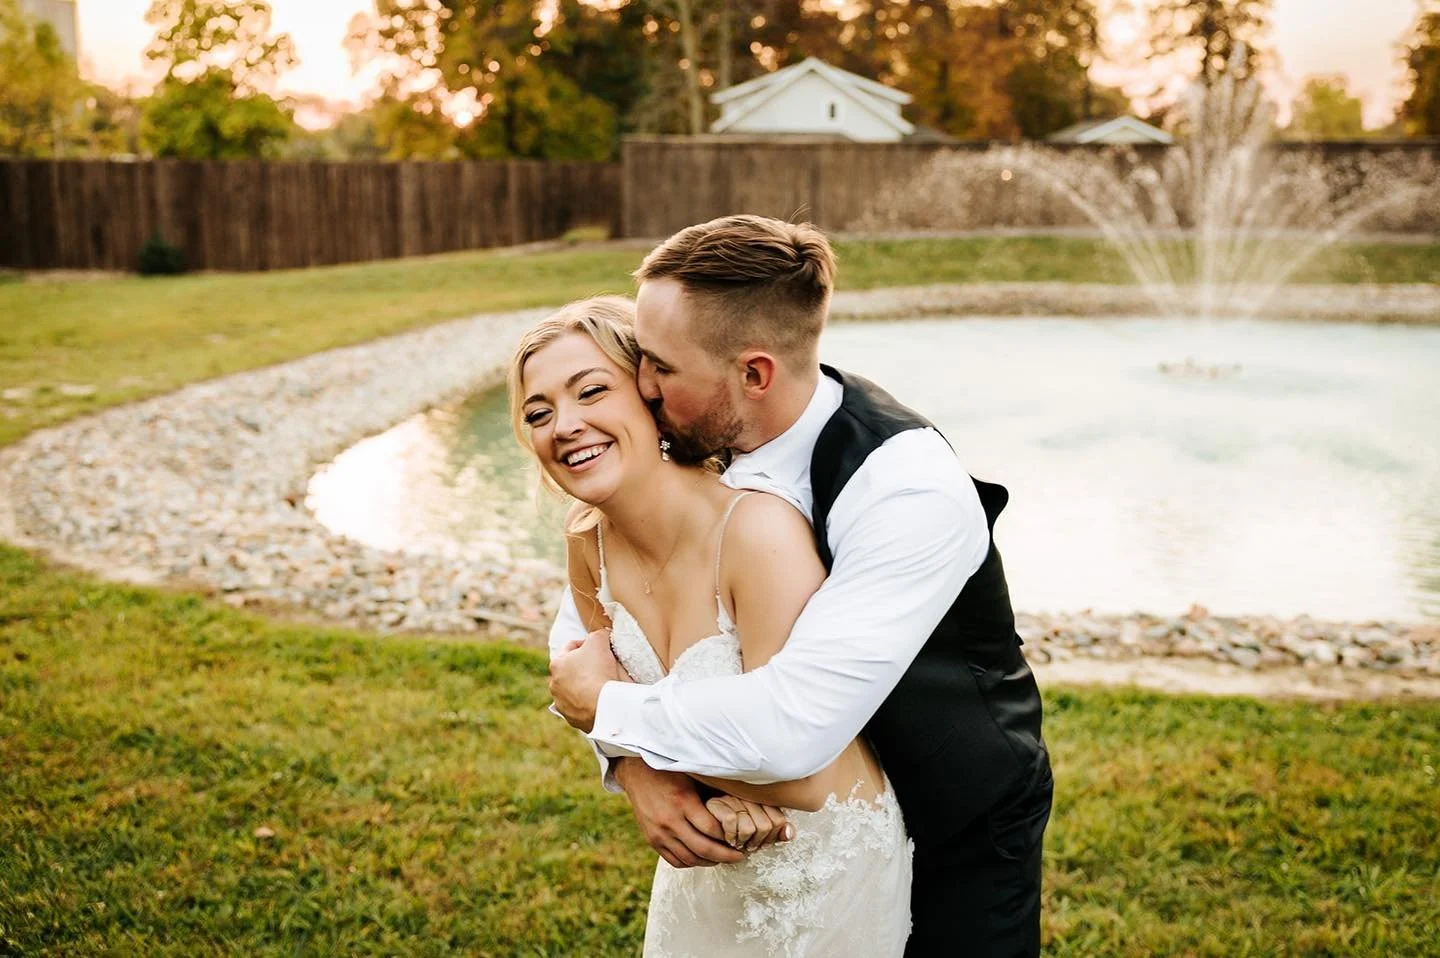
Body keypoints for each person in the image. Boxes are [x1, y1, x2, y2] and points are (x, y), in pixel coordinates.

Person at [549, 215, 1054, 957]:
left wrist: (608, 712)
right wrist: (634, 766)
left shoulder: (906, 491)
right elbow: (589, 624)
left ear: (754, 374)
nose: (641, 390)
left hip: (955, 810)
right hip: (775, 824)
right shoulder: (700, 442)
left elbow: (792, 728)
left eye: (658, 367)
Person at [510, 295, 913, 956]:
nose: (566, 425)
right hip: (705, 862)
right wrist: (661, 782)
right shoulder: (588, 541)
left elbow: (805, 774)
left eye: (591, 392)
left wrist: (604, 714)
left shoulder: (757, 534)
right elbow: (621, 708)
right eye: (539, 412)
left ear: (651, 395)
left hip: (826, 868)